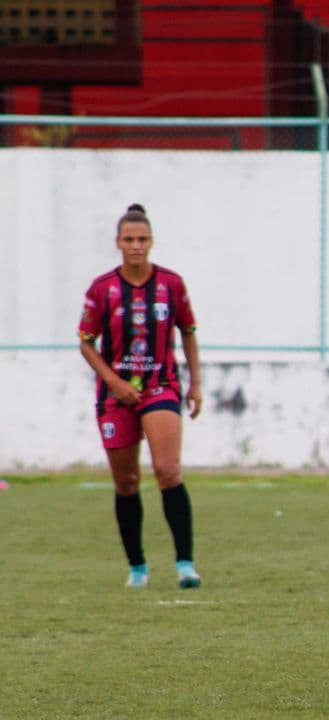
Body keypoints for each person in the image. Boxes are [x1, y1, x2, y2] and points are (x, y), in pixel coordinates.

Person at [78, 203, 204, 589]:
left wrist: (195, 383)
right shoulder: (102, 289)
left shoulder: (171, 284)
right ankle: (137, 567)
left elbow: (188, 331)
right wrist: (113, 381)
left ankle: (185, 564)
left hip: (160, 386)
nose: (136, 246)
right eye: (129, 239)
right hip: (116, 396)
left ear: (152, 242)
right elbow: (85, 342)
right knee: (127, 481)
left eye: (142, 239)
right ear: (118, 242)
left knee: (168, 471)